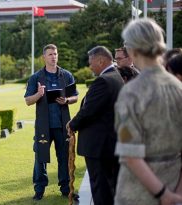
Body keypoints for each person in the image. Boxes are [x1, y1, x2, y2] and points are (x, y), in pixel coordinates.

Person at [114, 18, 182, 205]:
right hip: (173, 186)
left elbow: (130, 154)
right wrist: (175, 193)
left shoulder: (131, 92)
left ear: (132, 50)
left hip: (137, 194)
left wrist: (162, 194)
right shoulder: (178, 88)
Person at [66, 46, 124, 205]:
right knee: (109, 189)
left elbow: (88, 111)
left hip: (99, 146)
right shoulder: (116, 76)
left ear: (101, 60)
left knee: (101, 191)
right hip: (109, 144)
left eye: (91, 62)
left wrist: (72, 124)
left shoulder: (103, 81)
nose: (89, 66)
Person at [24, 44, 79, 201]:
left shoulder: (66, 75)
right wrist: (38, 94)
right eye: (50, 54)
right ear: (44, 57)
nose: (53, 57)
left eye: (55, 54)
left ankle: (66, 189)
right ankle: (39, 190)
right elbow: (28, 101)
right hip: (44, 126)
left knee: (64, 158)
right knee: (40, 158)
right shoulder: (36, 78)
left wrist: (67, 100)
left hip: (63, 125)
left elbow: (75, 96)